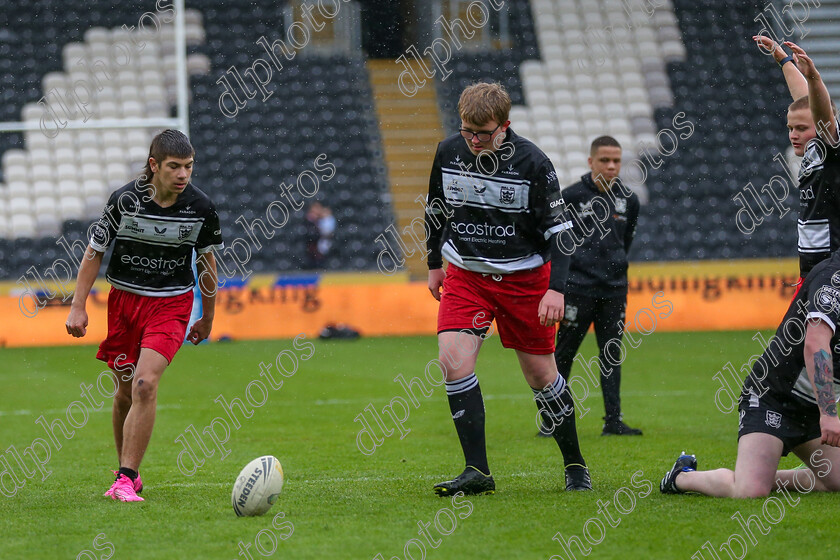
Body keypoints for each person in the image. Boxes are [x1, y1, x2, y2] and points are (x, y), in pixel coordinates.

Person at [425, 82, 590, 495]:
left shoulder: (534, 162)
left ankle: (575, 464)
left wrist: (556, 290)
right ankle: (476, 471)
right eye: (468, 131)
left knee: (541, 376)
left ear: (505, 126)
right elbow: (435, 208)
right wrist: (433, 263)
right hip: (466, 276)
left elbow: (561, 234)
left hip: (524, 282)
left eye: (483, 132)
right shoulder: (449, 152)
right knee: (453, 362)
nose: (474, 140)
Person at [65, 130, 223, 502]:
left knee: (144, 384)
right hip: (124, 304)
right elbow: (94, 251)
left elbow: (207, 263)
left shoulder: (201, 208)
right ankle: (127, 473)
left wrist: (209, 317)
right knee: (123, 392)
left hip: (171, 305)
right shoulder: (123, 200)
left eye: (188, 166)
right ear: (154, 165)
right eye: (174, 167)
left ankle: (125, 476)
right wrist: (77, 304)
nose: (183, 174)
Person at [660, 249, 840, 497]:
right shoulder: (832, 278)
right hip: (774, 397)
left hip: (811, 406)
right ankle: (682, 476)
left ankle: (761, 475)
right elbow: (816, 344)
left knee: (836, 481)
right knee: (750, 491)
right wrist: (829, 414)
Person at [540, 136, 641, 438]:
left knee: (611, 354)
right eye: (604, 161)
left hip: (613, 290)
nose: (611, 167)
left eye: (616, 161)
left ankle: (613, 421)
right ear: (590, 162)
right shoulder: (570, 197)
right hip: (577, 288)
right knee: (564, 354)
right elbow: (558, 241)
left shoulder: (629, 199)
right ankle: (551, 421)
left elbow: (626, 241)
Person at [752, 37, 840, 286]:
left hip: (831, 266)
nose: (793, 134)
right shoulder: (815, 148)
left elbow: (820, 114)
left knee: (814, 324)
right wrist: (784, 60)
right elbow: (804, 102)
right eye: (790, 128)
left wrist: (814, 78)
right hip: (812, 268)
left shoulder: (829, 145)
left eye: (800, 128)